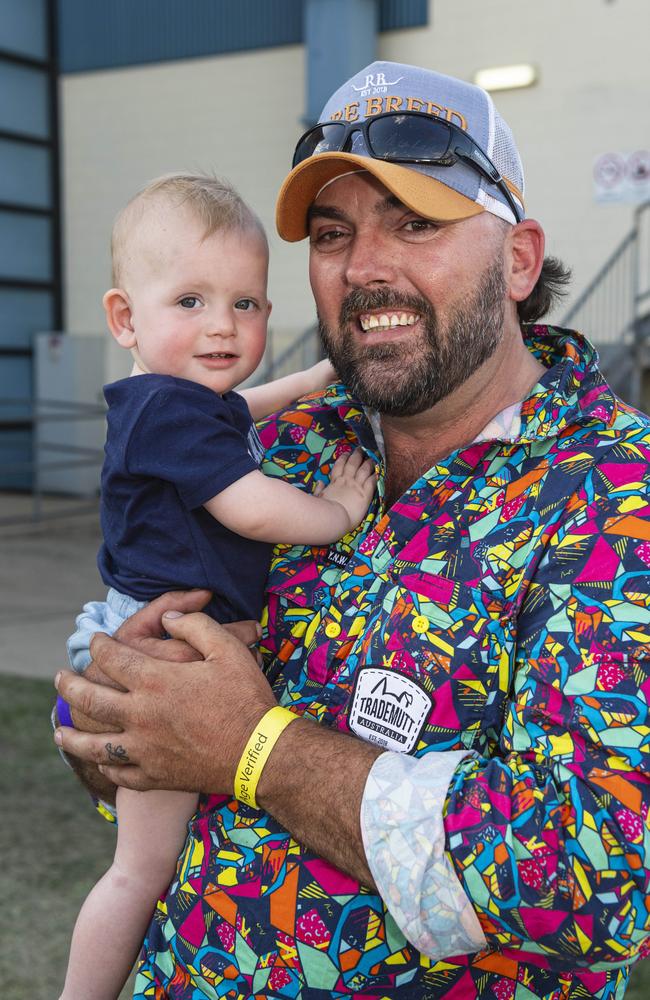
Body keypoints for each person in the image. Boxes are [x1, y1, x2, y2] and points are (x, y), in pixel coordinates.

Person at [55, 62, 650, 1000]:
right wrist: (115, 728)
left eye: (416, 222)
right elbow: (146, 733)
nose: (364, 266)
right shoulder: (276, 449)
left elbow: (598, 880)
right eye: (333, 234)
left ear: (519, 259)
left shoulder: (613, 497)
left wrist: (256, 747)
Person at [57, 173, 375, 1000]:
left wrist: (304, 385)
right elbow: (253, 508)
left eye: (247, 304)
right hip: (163, 648)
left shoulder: (179, 401)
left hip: (167, 630)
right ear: (125, 318)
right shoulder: (166, 410)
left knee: (162, 859)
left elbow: (238, 413)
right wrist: (337, 510)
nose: (224, 327)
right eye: (191, 301)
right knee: (141, 870)